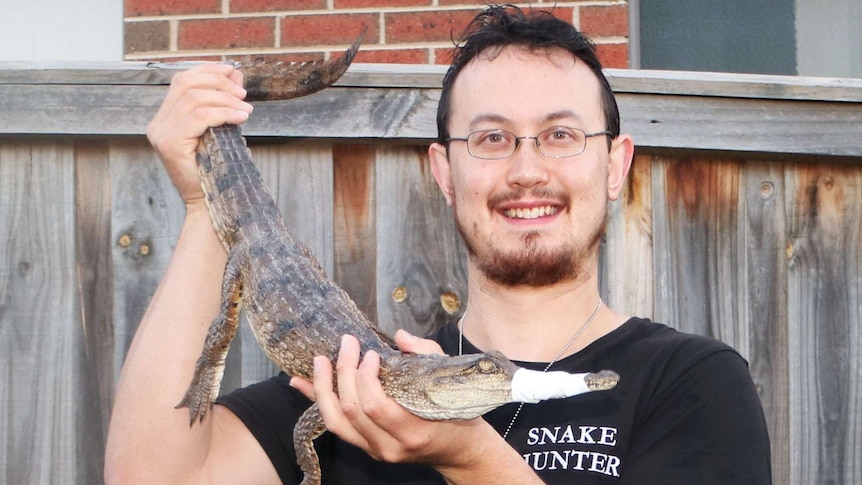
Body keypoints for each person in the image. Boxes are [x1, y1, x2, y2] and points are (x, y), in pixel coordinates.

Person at [105, 5, 771, 484]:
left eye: (561, 134)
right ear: (444, 173)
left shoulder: (693, 383)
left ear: (617, 165)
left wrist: (470, 457)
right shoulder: (352, 382)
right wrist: (205, 203)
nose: (526, 168)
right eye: (491, 137)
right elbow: (148, 476)